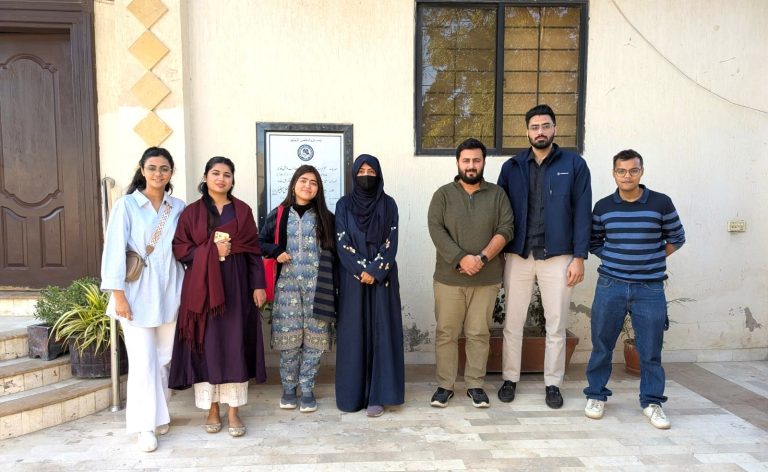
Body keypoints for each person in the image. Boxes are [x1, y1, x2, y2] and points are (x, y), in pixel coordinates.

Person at [496, 104, 592, 409]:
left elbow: (583, 213)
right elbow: (500, 213)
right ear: (527, 131)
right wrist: (498, 254)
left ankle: (553, 384)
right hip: (519, 254)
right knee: (512, 322)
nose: (540, 131)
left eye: (545, 126)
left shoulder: (574, 164)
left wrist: (579, 257)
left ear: (555, 128)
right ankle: (509, 378)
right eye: (535, 127)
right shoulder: (512, 167)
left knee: (556, 324)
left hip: (559, 256)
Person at [583, 149, 685, 429]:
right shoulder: (603, 206)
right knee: (602, 345)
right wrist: (616, 257)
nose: (627, 176)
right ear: (614, 173)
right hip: (611, 285)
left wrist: (652, 257)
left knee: (650, 349)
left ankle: (652, 402)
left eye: (633, 170)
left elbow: (677, 237)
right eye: (621, 171)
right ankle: (596, 395)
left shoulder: (661, 203)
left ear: (641, 171)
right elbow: (594, 241)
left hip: (649, 288)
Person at [169, 156, 267, 438]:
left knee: (235, 344)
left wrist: (258, 285)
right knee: (207, 345)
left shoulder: (243, 211)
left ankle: (234, 410)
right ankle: (212, 409)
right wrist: (212, 252)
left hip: (237, 286)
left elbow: (253, 251)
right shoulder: (191, 213)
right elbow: (180, 249)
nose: (221, 179)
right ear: (205, 177)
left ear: (233, 180)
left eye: (227, 174)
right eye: (215, 173)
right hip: (203, 290)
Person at [100, 147, 185, 452]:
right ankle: (144, 426)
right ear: (142, 169)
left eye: (164, 168)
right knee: (142, 362)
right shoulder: (126, 205)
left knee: (163, 359)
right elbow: (114, 251)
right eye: (152, 168)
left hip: (170, 291)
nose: (158, 174)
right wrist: (118, 296)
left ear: (171, 172)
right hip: (135, 294)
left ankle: (159, 415)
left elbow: (184, 248)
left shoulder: (178, 207)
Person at [427, 138, 514, 408]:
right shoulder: (443, 195)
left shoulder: (498, 194)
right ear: (458, 163)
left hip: (486, 279)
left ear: (483, 162)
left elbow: (506, 228)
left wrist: (482, 257)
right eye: (466, 160)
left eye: (476, 160)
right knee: (447, 333)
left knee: (479, 333)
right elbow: (436, 229)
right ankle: (445, 386)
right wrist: (461, 258)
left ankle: (475, 385)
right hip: (449, 279)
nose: (471, 165)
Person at [259, 165, 336, 413]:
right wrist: (276, 251)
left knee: (315, 340)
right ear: (293, 184)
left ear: (318, 189)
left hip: (318, 288)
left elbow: (335, 253)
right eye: (303, 180)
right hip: (287, 288)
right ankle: (289, 389)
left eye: (313, 183)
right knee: (289, 342)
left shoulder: (326, 218)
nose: (307, 186)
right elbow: (259, 242)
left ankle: (307, 389)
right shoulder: (279, 214)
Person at [334, 154, 404, 417]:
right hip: (353, 279)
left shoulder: (389, 204)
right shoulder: (343, 205)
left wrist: (375, 271)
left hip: (382, 279)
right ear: (354, 175)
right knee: (354, 334)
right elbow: (341, 242)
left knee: (381, 333)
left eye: (371, 171)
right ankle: (352, 396)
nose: (366, 175)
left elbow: (391, 240)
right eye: (361, 171)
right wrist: (361, 270)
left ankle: (379, 395)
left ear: (379, 174)